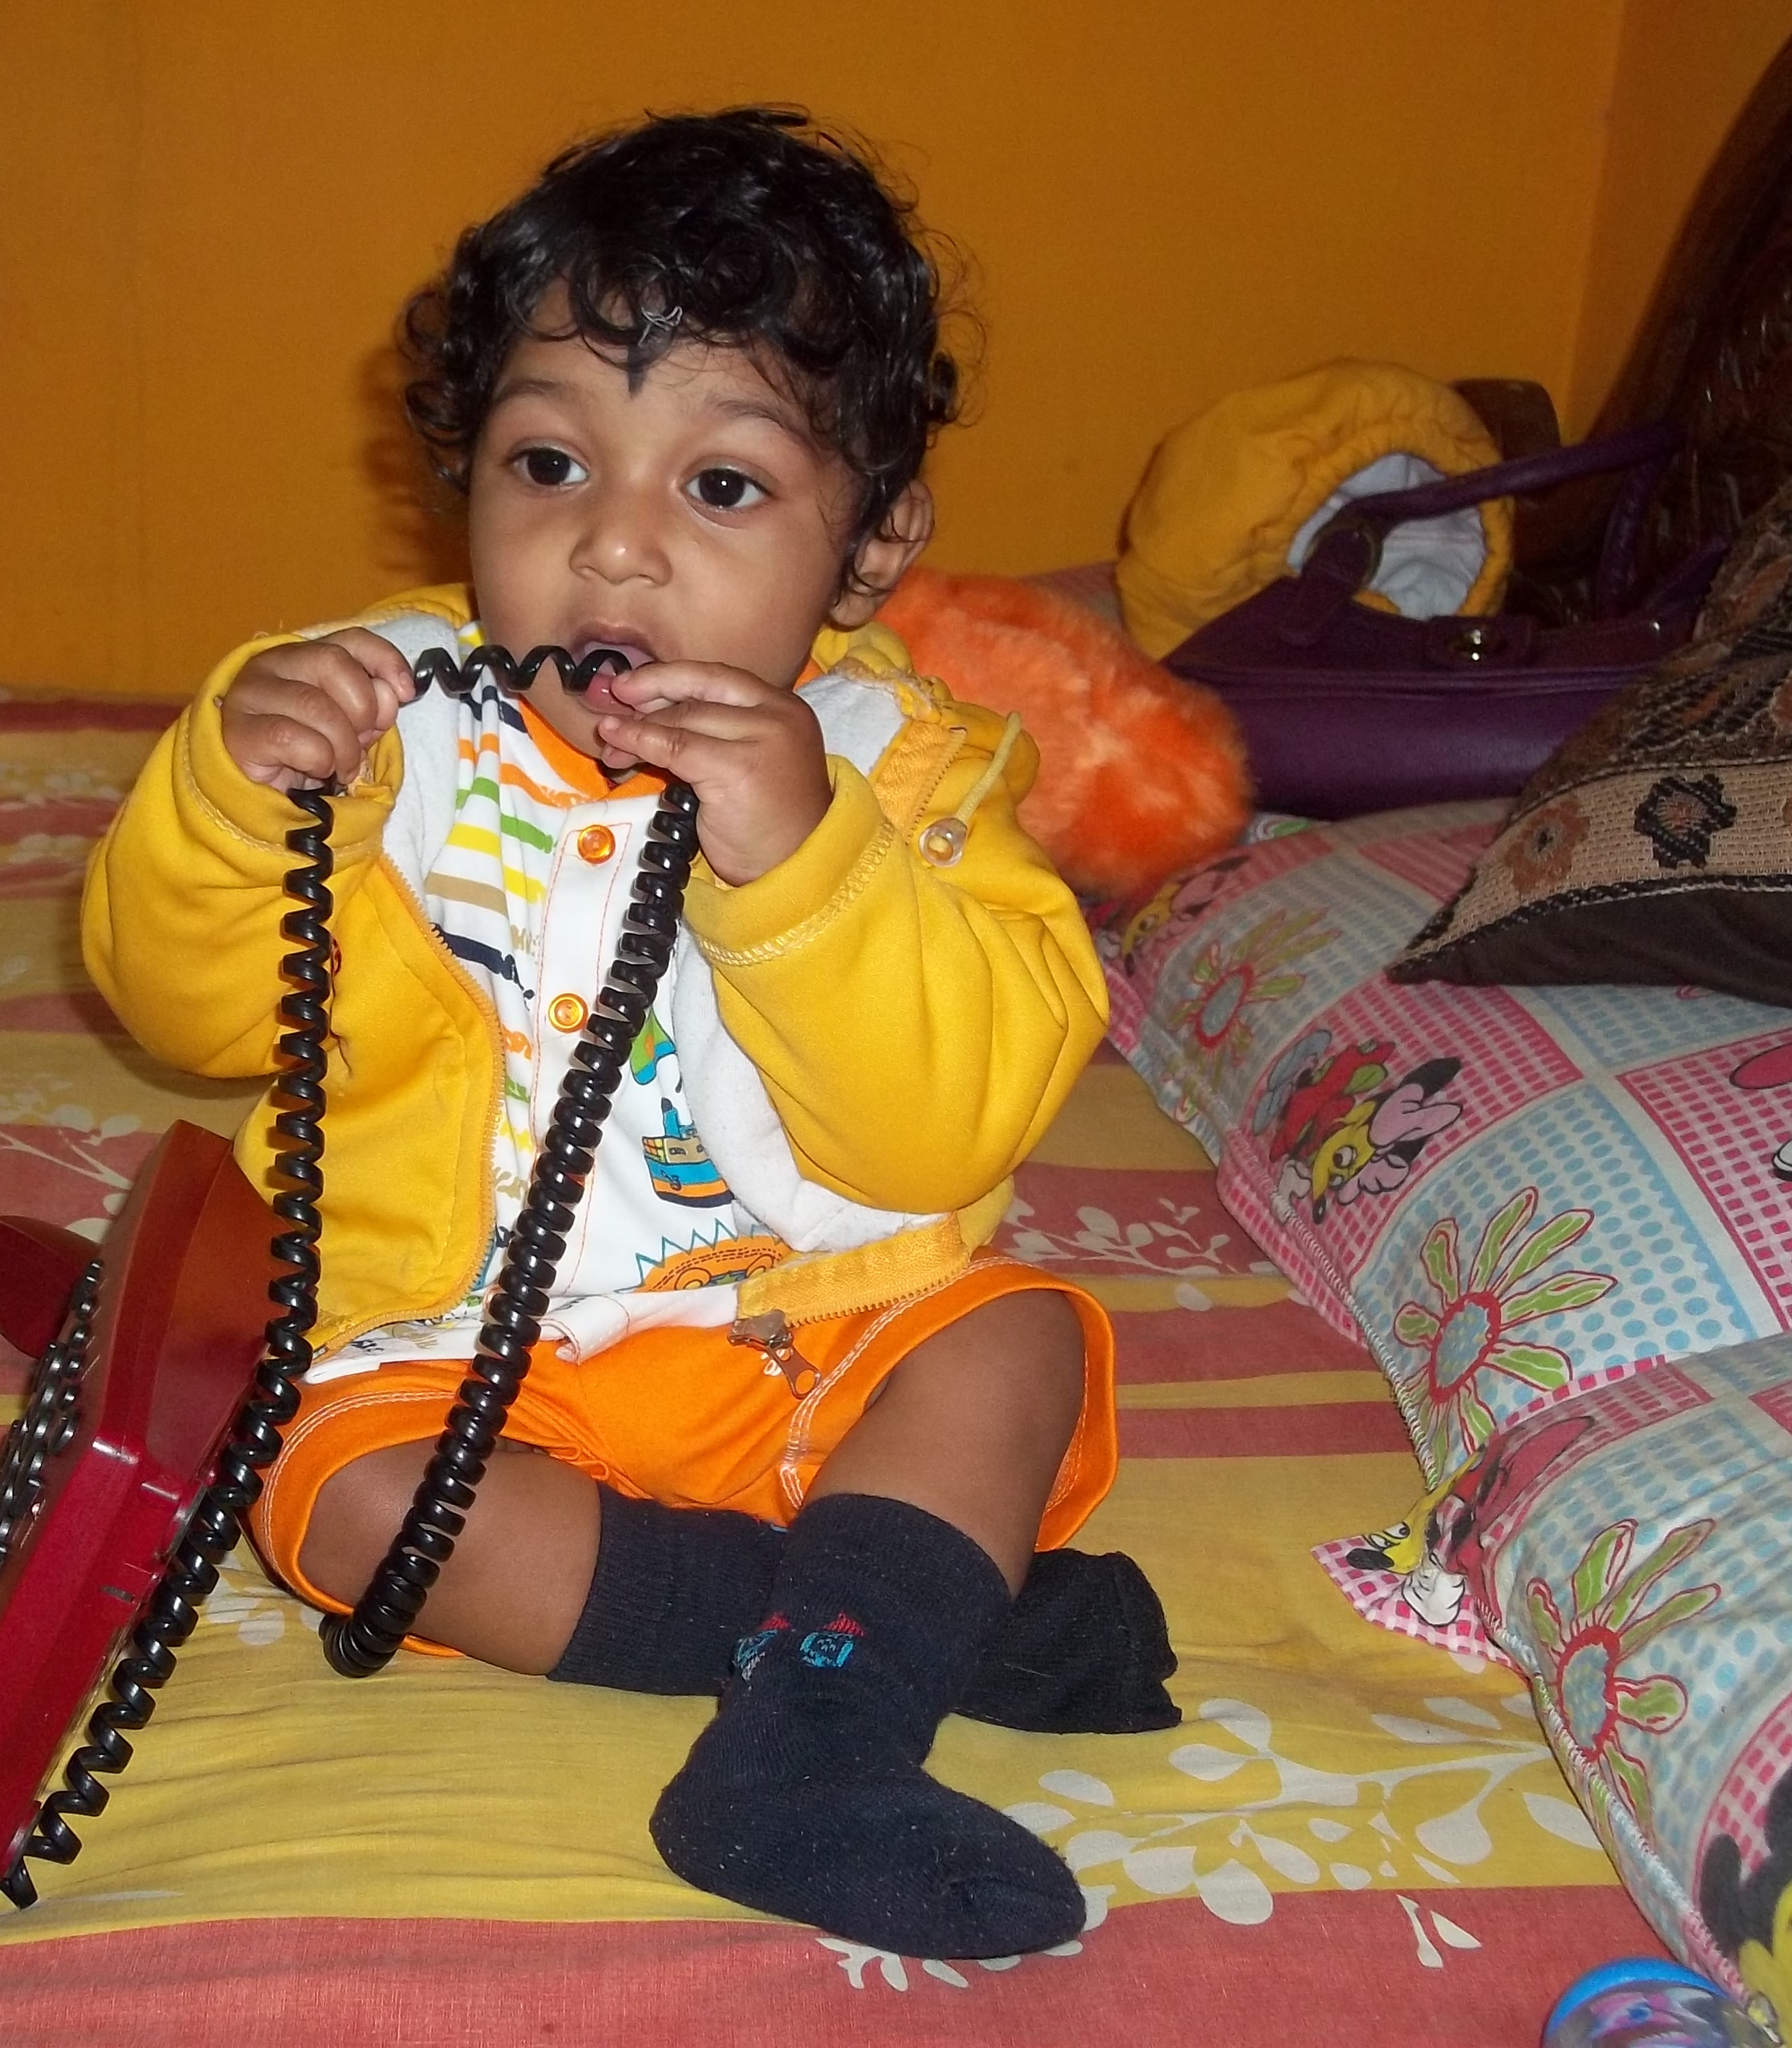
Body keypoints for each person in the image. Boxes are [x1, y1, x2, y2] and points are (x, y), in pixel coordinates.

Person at [83, 106, 1174, 1961]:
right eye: (549, 462)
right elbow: (184, 1011)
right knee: (340, 1507)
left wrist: (808, 863)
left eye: (722, 487)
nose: (614, 548)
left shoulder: (911, 780)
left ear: (871, 545)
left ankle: (810, 1746)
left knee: (1012, 1347)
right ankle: (869, 1636)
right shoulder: (384, 732)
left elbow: (940, 1136)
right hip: (459, 1354)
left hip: (799, 1332)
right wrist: (230, 802)